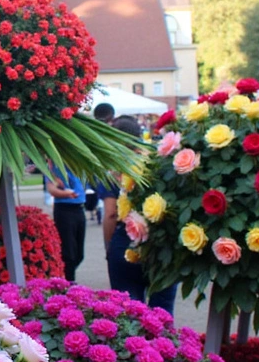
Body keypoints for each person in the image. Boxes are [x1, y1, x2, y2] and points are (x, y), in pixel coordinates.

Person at [101, 116, 176, 313]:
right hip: (162, 247)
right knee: (163, 312)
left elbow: (110, 214)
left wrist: (109, 249)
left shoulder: (114, 171)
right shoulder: (160, 165)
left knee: (130, 314)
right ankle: (165, 344)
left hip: (125, 245)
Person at [45, 163, 87, 282]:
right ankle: (68, 282)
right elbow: (51, 189)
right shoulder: (54, 166)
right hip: (64, 209)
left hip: (79, 208)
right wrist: (66, 193)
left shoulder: (77, 164)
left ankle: (65, 277)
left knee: (79, 254)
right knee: (68, 252)